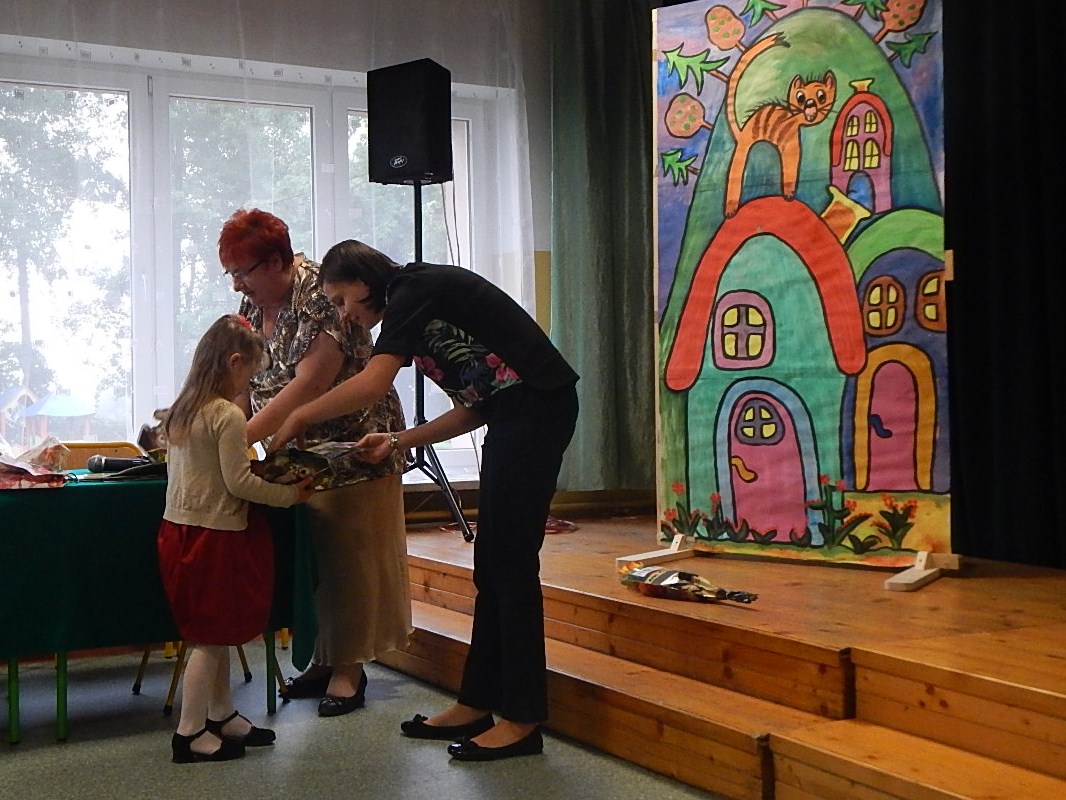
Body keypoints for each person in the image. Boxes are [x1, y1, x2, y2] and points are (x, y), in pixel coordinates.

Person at [269, 240, 580, 762]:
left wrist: (299, 415)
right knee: (491, 568)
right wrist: (398, 441)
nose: (343, 314)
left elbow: (372, 384)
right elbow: (475, 407)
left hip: (538, 412)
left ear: (364, 283)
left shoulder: (412, 289)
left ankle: (523, 720)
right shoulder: (415, 309)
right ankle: (476, 703)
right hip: (513, 416)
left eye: (343, 300)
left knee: (510, 567)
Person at [218, 209, 410, 718]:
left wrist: (239, 440)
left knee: (352, 562)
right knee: (315, 560)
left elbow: (312, 383)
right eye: (231, 274)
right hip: (294, 451)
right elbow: (244, 380)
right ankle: (325, 660)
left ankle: (349, 669)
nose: (237, 284)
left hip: (353, 446)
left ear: (275, 261)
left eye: (243, 272)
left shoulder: (320, 292)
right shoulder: (252, 301)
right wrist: (228, 427)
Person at [158, 314, 316, 763]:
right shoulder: (226, 415)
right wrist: (290, 495)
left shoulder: (182, 410)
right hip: (216, 537)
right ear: (233, 362)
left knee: (216, 631)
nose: (250, 382)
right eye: (250, 372)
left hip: (180, 532)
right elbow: (239, 483)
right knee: (210, 640)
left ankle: (222, 714)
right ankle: (189, 733)